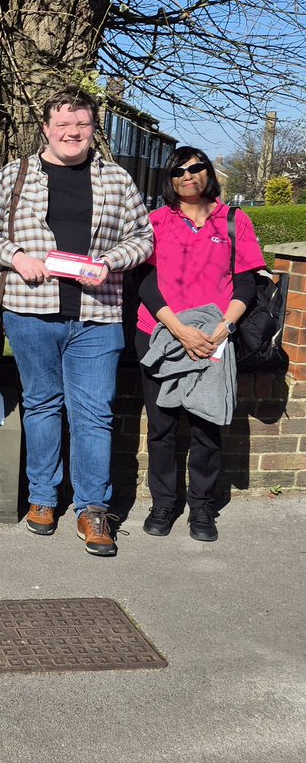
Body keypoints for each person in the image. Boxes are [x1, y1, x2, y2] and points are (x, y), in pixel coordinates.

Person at [0, 89, 153, 557]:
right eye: (63, 126)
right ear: (47, 129)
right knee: (42, 405)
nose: (72, 134)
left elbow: (144, 238)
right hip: (31, 313)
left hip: (97, 314)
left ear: (93, 130)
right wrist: (15, 256)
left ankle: (93, 508)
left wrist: (111, 261)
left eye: (82, 127)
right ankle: (42, 499)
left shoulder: (116, 179)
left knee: (94, 412)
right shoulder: (14, 175)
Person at [135, 148, 262, 542]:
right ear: (168, 178)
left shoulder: (234, 220)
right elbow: (145, 283)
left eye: (196, 168)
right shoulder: (155, 221)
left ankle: (202, 508)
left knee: (207, 426)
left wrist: (224, 327)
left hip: (214, 337)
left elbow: (246, 281)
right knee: (162, 427)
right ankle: (163, 503)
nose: (187, 176)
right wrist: (177, 328)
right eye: (178, 170)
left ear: (208, 172)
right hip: (159, 332)